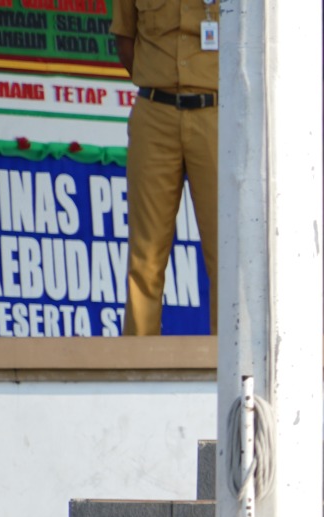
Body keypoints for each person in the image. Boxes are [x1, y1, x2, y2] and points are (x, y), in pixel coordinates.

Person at [111, 0, 219, 335]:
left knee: (226, 250)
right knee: (146, 254)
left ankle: (231, 362)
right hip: (155, 112)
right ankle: (139, 365)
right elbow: (126, 42)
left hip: (216, 114)